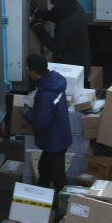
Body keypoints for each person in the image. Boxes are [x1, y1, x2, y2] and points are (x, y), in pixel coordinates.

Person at [24, 53, 73, 201]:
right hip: (59, 136)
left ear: (33, 72)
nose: (27, 72)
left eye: (28, 69)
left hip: (54, 142)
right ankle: (40, 201)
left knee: (58, 179)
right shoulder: (55, 80)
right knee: (44, 171)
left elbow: (40, 122)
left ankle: (66, 210)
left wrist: (26, 112)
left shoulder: (46, 94)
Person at [30, 0, 90, 80]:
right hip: (81, 61)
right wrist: (39, 13)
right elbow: (56, 14)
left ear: (62, 3)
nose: (52, 4)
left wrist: (39, 28)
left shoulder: (68, 23)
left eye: (54, 3)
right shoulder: (76, 7)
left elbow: (56, 48)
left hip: (73, 70)